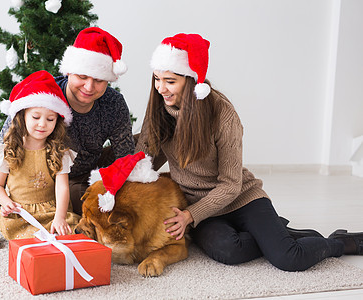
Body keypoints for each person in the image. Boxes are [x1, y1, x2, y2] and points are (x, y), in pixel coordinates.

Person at [135, 33, 363, 271]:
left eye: (170, 81)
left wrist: (189, 215)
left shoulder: (222, 114)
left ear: (191, 80)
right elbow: (142, 162)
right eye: (156, 79)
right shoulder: (159, 112)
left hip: (241, 198)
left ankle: (341, 242)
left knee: (289, 258)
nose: (161, 88)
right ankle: (276, 233)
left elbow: (231, 184)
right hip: (202, 208)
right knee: (230, 251)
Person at [0, 27, 135, 249]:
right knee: (75, 198)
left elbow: (126, 156)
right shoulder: (39, 98)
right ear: (69, 72)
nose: (89, 86)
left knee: (142, 154)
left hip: (88, 171)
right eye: (82, 77)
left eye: (99, 80)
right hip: (44, 182)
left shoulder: (113, 104)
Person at [0, 70, 79, 239]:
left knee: (74, 229)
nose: (42, 124)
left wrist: (59, 217)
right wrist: (6, 203)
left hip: (52, 211)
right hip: (20, 214)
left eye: (50, 119)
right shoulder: (8, 150)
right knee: (30, 236)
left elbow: (62, 186)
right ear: (22, 117)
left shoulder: (59, 152)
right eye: (36, 117)